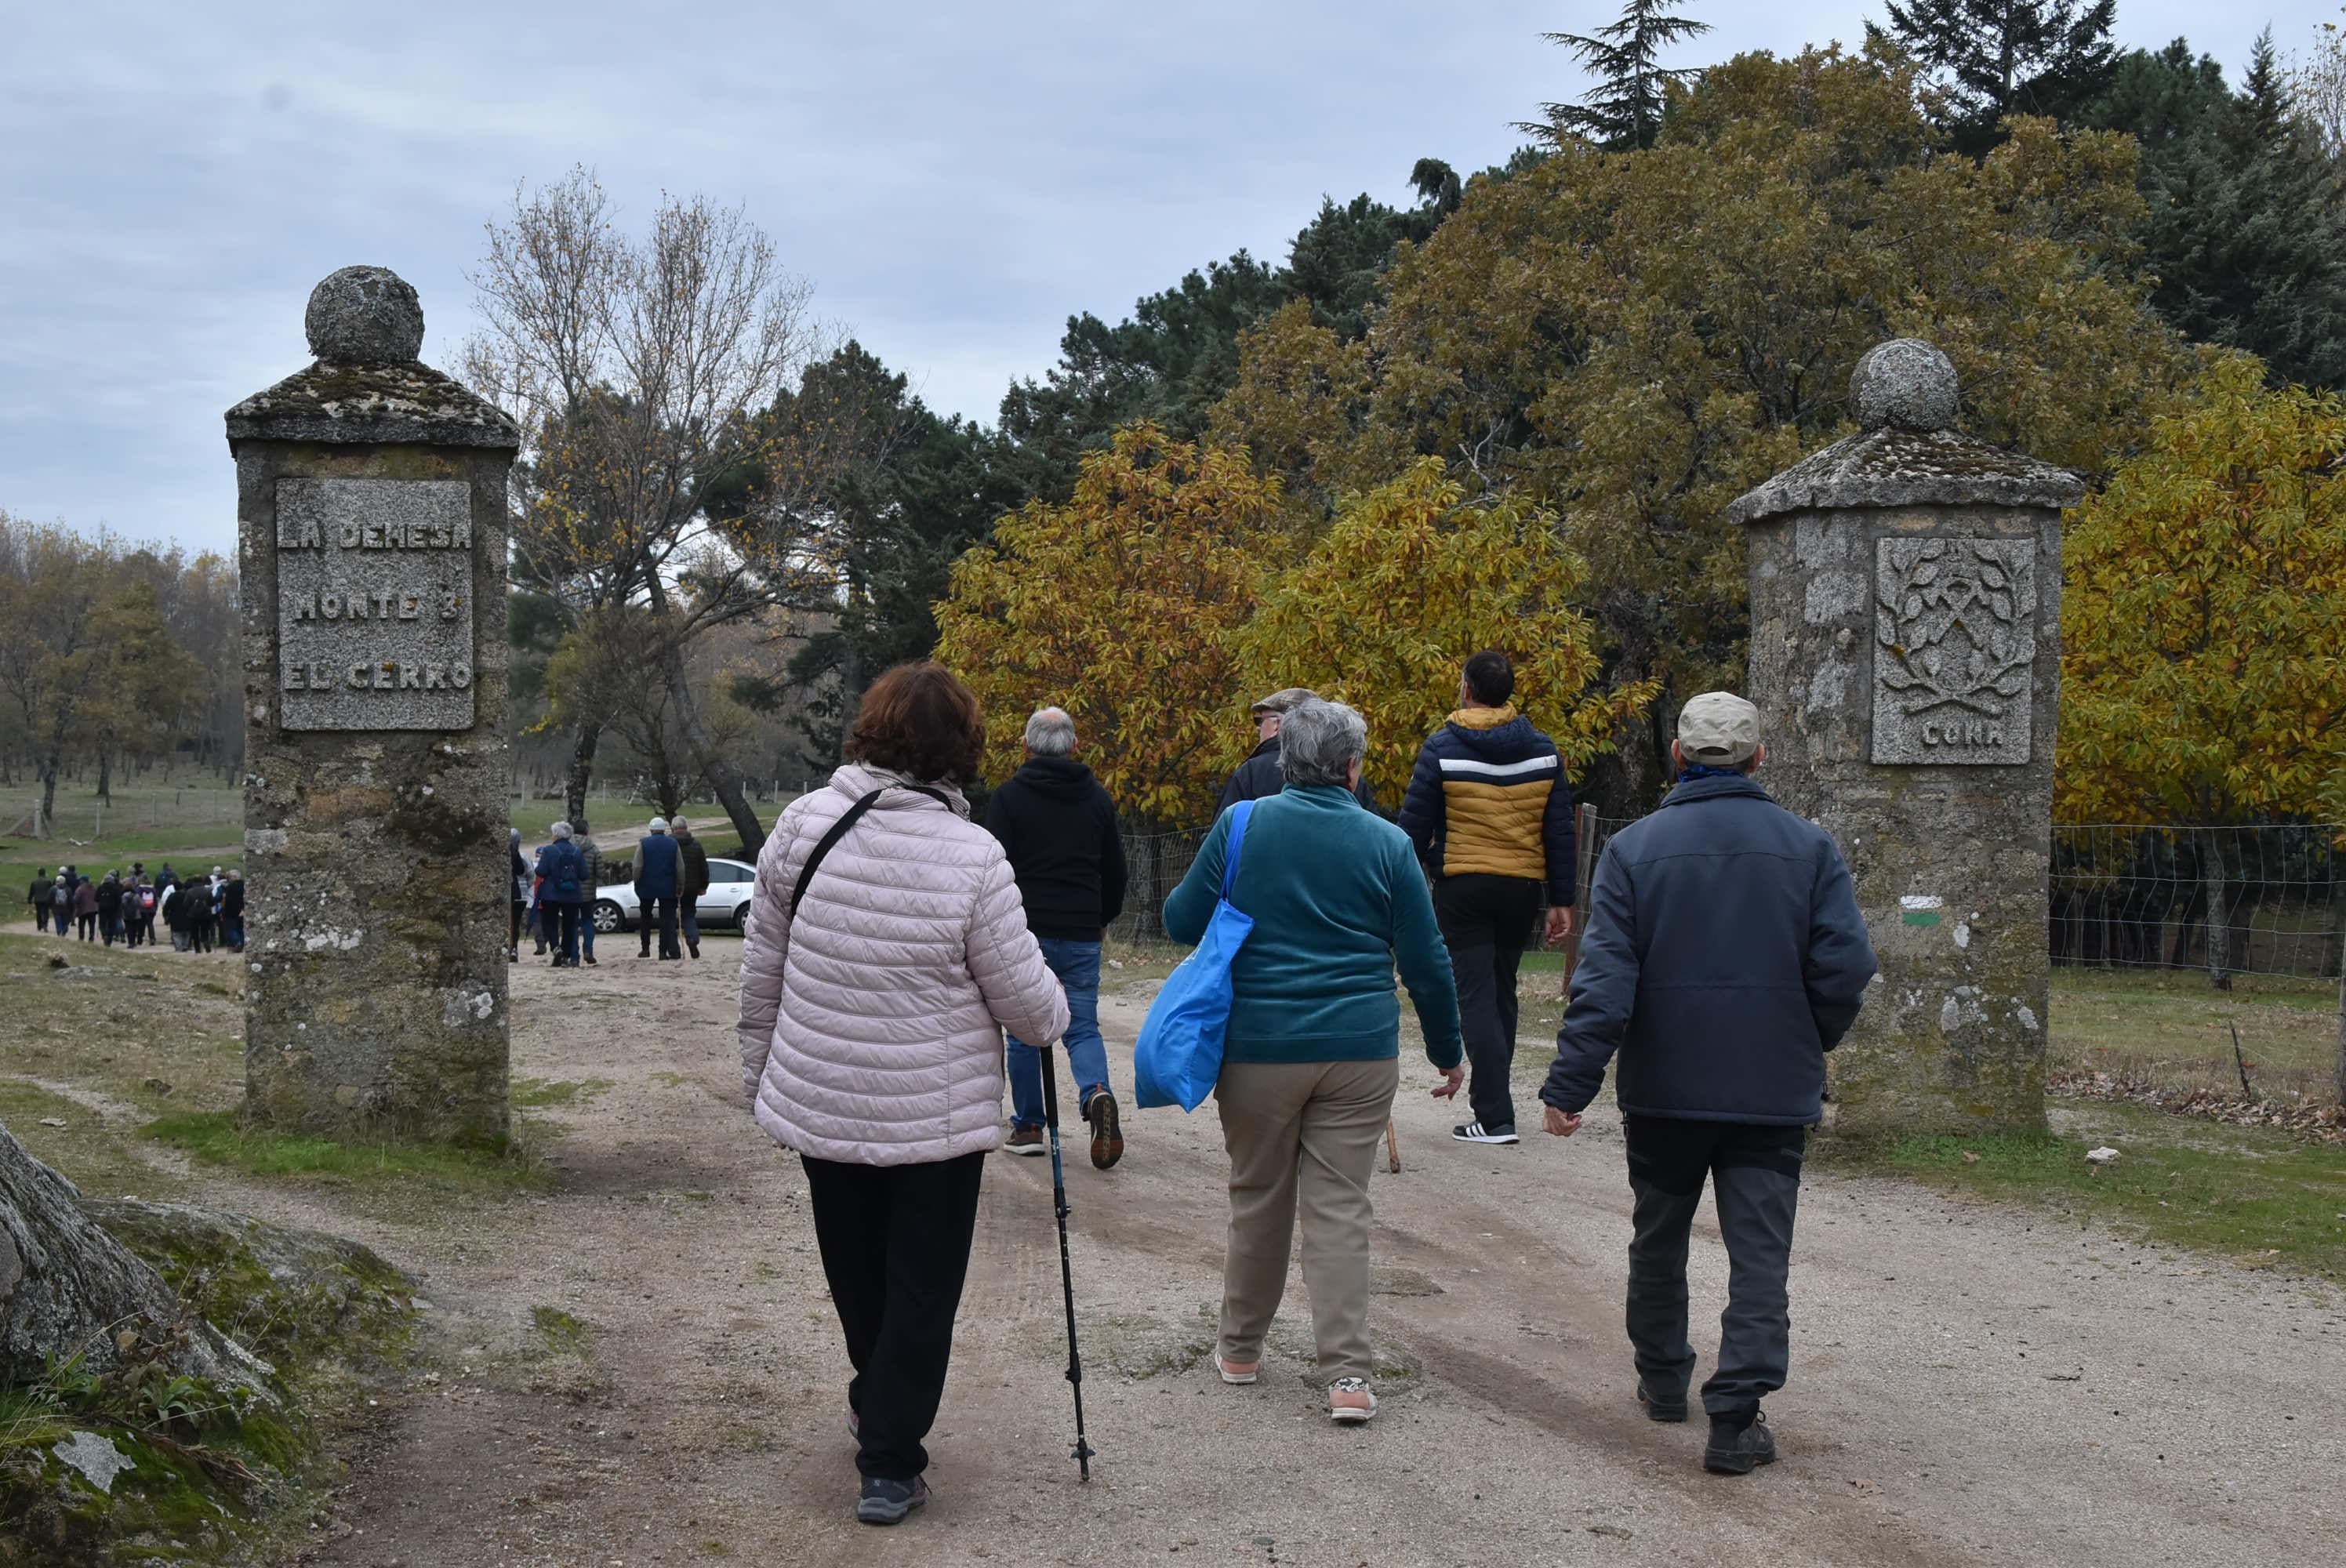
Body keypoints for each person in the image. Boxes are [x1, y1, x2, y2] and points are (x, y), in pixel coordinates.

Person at [735, 661, 1069, 1526]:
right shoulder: (973, 855)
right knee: (921, 1288)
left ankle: (874, 1398)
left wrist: (760, 1075)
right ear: (962, 747)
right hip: (934, 1121)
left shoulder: (802, 824)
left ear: (872, 730)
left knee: (856, 1272)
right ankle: (888, 1462)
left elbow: (762, 969)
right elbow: (1031, 1011)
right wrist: (1058, 1005)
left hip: (823, 1098)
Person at [1538, 691, 1877, 1477]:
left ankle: (1662, 1378)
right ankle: (1737, 1413)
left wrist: (1570, 1083)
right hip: (1770, 1089)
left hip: (1665, 1089)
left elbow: (1604, 981)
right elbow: (1845, 965)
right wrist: (1808, 1034)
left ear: (1678, 756)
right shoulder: (1809, 847)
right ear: (1759, 758)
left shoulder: (1634, 850)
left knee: (1658, 1236)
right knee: (1760, 1253)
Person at [1164, 699, 1463, 1427]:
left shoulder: (1242, 825)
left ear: (1284, 761)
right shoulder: (1389, 843)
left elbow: (1179, 920)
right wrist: (1448, 1051)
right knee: (1340, 1208)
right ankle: (1348, 1376)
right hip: (1359, 1049)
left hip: (1258, 1048)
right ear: (1353, 767)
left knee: (1258, 1197)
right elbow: (1426, 960)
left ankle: (1240, 1351)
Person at [1396, 648, 1578, 1148]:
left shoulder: (1442, 747)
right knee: (1501, 993)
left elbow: (1412, 829)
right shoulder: (1543, 749)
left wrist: (1415, 876)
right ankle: (1494, 1106)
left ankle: (1496, 1117)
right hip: (1521, 889)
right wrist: (1562, 899)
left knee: (1475, 996)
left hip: (1464, 887)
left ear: (1467, 689)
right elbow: (1559, 830)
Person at [984, 706, 1129, 1167]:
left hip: (1025, 933)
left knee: (1025, 1031)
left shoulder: (1008, 797)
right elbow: (1116, 871)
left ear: (1025, 746)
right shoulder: (1097, 799)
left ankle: (1029, 1125)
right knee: (1082, 1026)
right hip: (1081, 929)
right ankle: (1097, 1092)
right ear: (1075, 746)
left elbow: (991, 867)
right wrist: (1101, 918)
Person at [1218, 688, 1375, 812]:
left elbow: (1225, 835)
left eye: (1259, 720)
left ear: (1278, 724)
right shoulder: (1347, 771)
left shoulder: (1252, 772)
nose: (1258, 728)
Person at [533, 822, 590, 967]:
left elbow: (541, 871)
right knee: (569, 925)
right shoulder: (577, 851)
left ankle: (555, 947)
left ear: (556, 835)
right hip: (572, 894)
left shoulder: (549, 850)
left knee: (550, 922)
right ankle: (566, 953)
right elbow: (584, 875)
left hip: (551, 894)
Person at [634, 817, 681, 960]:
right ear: (664, 829)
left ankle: (645, 948)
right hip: (667, 886)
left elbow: (637, 866)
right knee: (666, 920)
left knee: (645, 917)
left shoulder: (643, 843)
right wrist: (680, 885)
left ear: (651, 829)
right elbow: (680, 867)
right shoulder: (673, 843)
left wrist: (636, 881)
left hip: (646, 886)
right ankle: (662, 952)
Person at [672, 817, 710, 959]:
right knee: (689, 914)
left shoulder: (670, 844)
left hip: (672, 886)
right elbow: (703, 868)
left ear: (673, 828)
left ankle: (673, 948)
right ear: (686, 828)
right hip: (692, 887)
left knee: (669, 915)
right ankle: (692, 938)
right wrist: (703, 886)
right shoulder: (696, 845)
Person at [573, 826, 604, 967]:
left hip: (571, 891)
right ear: (587, 831)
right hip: (588, 892)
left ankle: (574, 955)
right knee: (588, 921)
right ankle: (588, 951)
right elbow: (600, 872)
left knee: (572, 923)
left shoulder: (569, 847)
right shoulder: (593, 849)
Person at [220, 870, 245, 952]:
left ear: (234, 877)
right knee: (240, 929)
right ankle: (242, 944)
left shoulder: (230, 886)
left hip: (230, 911)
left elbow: (227, 900)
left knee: (231, 929)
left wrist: (223, 911)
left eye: (230, 877)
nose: (229, 879)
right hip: (242, 910)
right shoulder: (245, 885)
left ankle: (237, 942)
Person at [95, 873, 122, 946]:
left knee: (102, 924)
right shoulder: (115, 888)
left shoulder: (100, 888)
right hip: (113, 909)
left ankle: (104, 935)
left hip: (102, 908)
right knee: (111, 925)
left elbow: (96, 898)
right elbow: (119, 899)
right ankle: (109, 940)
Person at [71, 873, 98, 942]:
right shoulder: (94, 888)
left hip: (83, 909)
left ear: (83, 881)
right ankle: (91, 938)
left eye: (80, 880)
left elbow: (76, 899)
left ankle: (81, 938)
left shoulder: (80, 889)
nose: (79, 881)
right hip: (93, 909)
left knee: (81, 925)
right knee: (92, 925)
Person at [27, 868, 50, 934]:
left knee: (39, 913)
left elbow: (31, 892)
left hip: (37, 900)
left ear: (38, 874)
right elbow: (51, 891)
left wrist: (29, 900)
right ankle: (45, 924)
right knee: (46, 912)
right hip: (46, 900)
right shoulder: (48, 882)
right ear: (44, 873)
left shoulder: (34, 882)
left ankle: (39, 926)